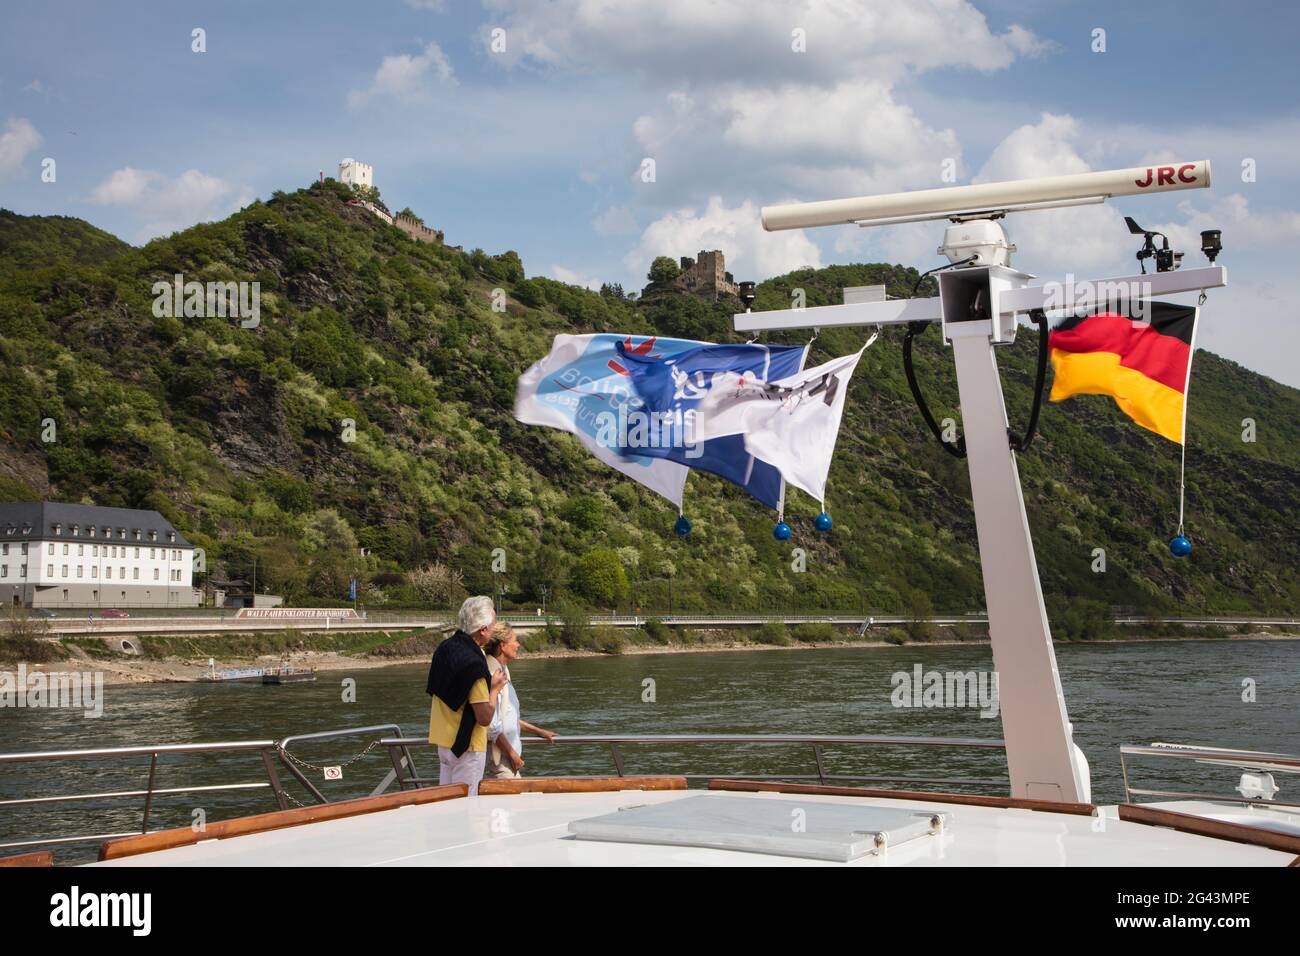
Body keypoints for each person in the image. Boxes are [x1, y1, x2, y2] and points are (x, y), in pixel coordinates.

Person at [425, 595, 508, 795]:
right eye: (493, 622)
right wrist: (495, 688)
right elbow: (484, 717)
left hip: (443, 741)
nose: (496, 627)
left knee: (448, 803)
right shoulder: (474, 664)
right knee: (465, 806)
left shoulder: (445, 649)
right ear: (483, 629)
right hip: (466, 747)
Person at [483, 622, 557, 779]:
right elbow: (491, 725)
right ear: (502, 646)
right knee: (512, 801)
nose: (518, 644)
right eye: (515, 640)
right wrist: (512, 754)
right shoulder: (492, 675)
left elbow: (508, 716)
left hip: (507, 758)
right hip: (501, 759)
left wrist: (539, 732)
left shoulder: (503, 671)